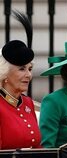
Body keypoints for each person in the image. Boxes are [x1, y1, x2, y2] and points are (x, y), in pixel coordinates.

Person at [0, 11, 41, 149]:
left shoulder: (28, 103)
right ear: (5, 73)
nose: (29, 75)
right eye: (22, 69)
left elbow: (37, 148)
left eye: (30, 69)